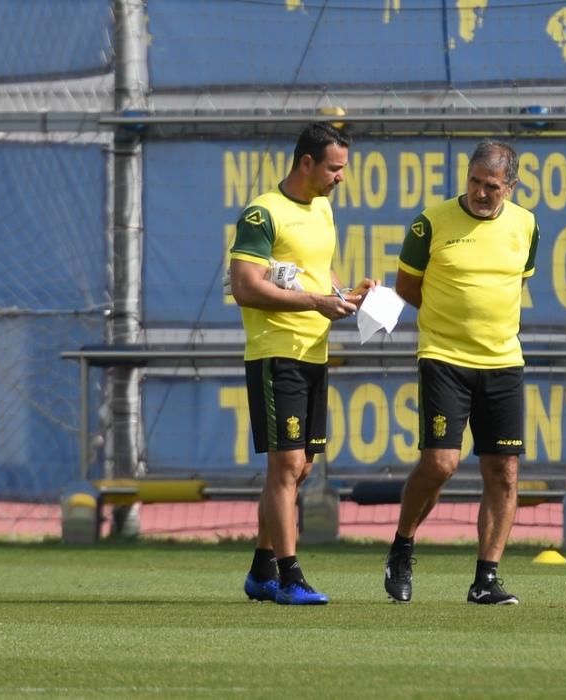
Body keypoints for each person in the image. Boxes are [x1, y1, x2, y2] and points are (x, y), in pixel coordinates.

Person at [384, 140, 540, 605]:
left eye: (491, 186)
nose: (480, 192)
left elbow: (517, 281)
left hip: (503, 362)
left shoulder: (527, 225)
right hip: (444, 358)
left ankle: (485, 579)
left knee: (504, 473)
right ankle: (402, 546)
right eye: (474, 182)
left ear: (509, 187)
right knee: (441, 464)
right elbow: (408, 286)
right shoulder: (430, 221)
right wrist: (450, 323)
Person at [229, 122, 378, 605]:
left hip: (314, 351)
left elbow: (317, 273)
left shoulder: (324, 209)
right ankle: (290, 576)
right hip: (277, 352)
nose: (340, 177)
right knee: (286, 465)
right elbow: (247, 285)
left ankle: (260, 570)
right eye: (334, 168)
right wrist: (316, 302)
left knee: (303, 467)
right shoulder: (262, 213)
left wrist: (346, 294)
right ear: (306, 162)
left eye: (343, 169)